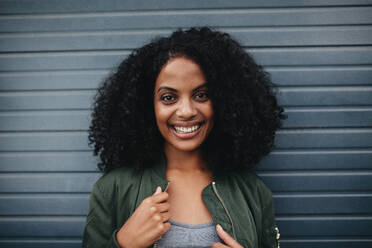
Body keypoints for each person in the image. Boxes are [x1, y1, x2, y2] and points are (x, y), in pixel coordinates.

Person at [82, 27, 286, 248]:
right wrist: (122, 243)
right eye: (169, 97)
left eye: (201, 95)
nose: (187, 111)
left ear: (224, 101)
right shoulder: (112, 189)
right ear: (146, 106)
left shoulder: (254, 193)